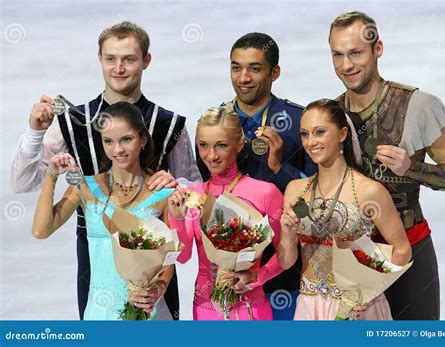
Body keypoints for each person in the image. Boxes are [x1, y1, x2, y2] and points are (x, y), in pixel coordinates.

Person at [11, 21, 201, 320]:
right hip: (93, 251)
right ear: (100, 59)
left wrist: (177, 185)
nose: (119, 68)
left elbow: (194, 196)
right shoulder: (72, 121)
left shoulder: (169, 124)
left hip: (155, 258)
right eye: (111, 58)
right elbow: (23, 183)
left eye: (129, 59)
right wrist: (35, 133)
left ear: (146, 61)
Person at [328, 11, 445, 319]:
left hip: (410, 253)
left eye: (355, 53)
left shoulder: (418, 105)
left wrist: (412, 169)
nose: (346, 65)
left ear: (377, 49)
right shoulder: (331, 114)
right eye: (337, 55)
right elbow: (314, 189)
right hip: (351, 257)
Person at [196, 32, 316, 319]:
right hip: (227, 279)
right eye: (236, 67)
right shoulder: (214, 125)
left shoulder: (298, 122)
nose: (243, 77)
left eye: (255, 68)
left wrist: (280, 170)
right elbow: (206, 193)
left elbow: (315, 199)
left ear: (275, 72)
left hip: (286, 272)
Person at [32, 102, 176, 320]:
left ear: (143, 139)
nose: (117, 150)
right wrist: (51, 176)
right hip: (99, 315)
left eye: (126, 139)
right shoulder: (86, 187)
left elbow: (170, 254)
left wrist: (158, 288)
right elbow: (41, 230)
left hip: (150, 314)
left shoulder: (162, 192)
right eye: (109, 141)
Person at [277, 99, 412, 320]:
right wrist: (288, 233)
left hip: (359, 309)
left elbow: (402, 249)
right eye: (304, 134)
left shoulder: (369, 191)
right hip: (310, 307)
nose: (311, 142)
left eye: (320, 132)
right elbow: (286, 262)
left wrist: (369, 292)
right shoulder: (295, 189)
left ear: (342, 134)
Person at [168, 106, 285, 320]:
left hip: (251, 309)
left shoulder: (265, 193)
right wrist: (176, 218)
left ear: (240, 144)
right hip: (204, 310)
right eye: (203, 145)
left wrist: (257, 276)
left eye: (221, 145)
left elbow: (286, 253)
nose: (211, 156)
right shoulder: (191, 195)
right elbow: (183, 257)